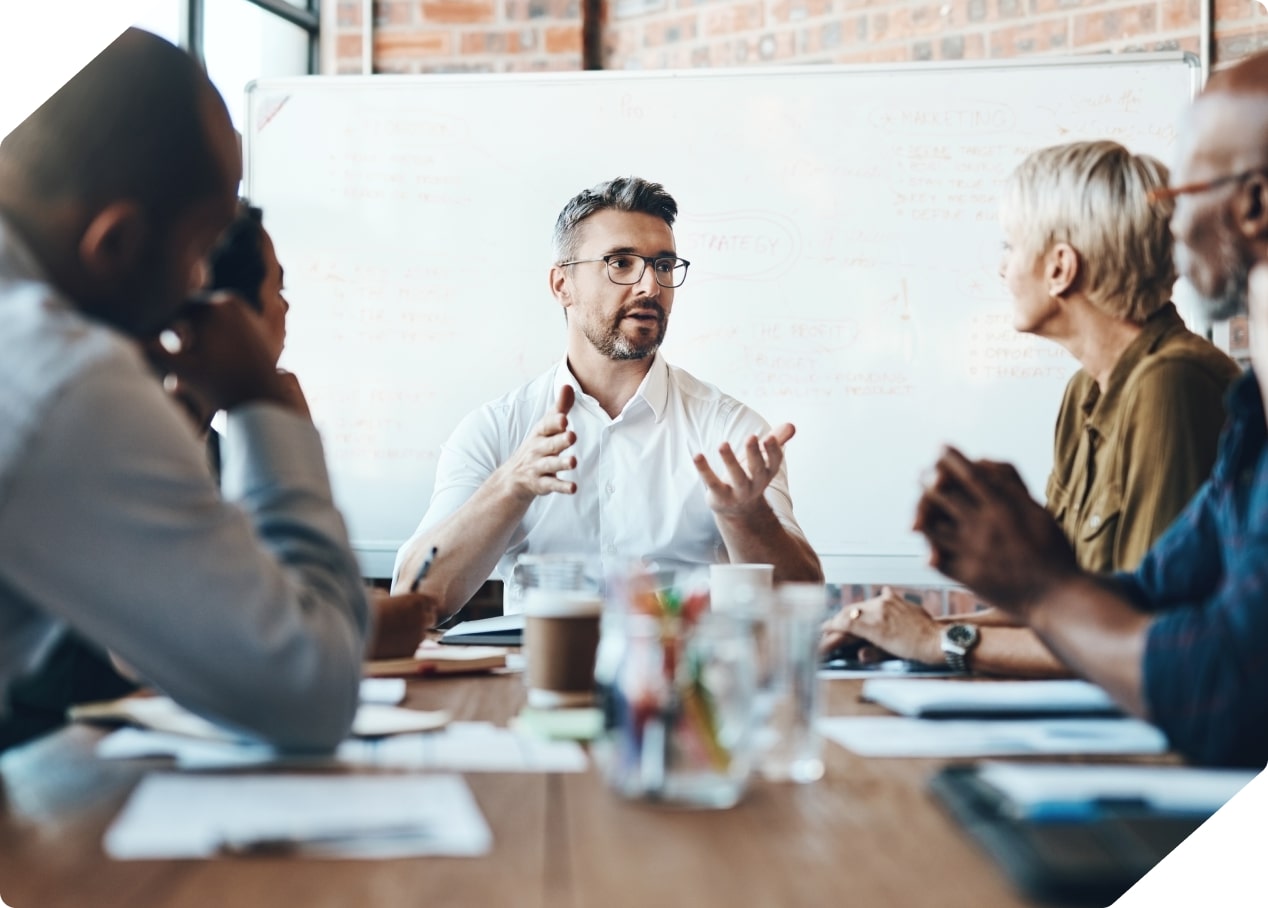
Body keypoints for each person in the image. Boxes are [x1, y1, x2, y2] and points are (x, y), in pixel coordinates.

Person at [0, 30, 370, 752]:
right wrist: (267, 404)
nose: (202, 287)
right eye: (200, 252)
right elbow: (311, 693)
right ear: (117, 244)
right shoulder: (61, 376)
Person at [904, 51, 1268, 768]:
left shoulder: (1179, 384)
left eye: (1184, 187)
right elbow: (1147, 587)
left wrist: (972, 626)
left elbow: (1217, 678)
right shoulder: (1251, 413)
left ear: (1253, 205)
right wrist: (1003, 588)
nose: (1170, 221)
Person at [822, 141, 1240, 678]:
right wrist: (902, 631)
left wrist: (940, 640)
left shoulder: (1171, 382)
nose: (1002, 269)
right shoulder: (1084, 392)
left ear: (1060, 268)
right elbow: (1062, 604)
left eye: (1010, 246)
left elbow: (1135, 631)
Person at [393, 176, 822, 616]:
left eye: (662, 265)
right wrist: (511, 485)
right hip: (539, 678)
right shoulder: (497, 430)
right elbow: (417, 597)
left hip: (681, 678)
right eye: (620, 262)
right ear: (562, 285)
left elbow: (802, 599)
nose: (650, 287)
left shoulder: (730, 434)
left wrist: (746, 517)